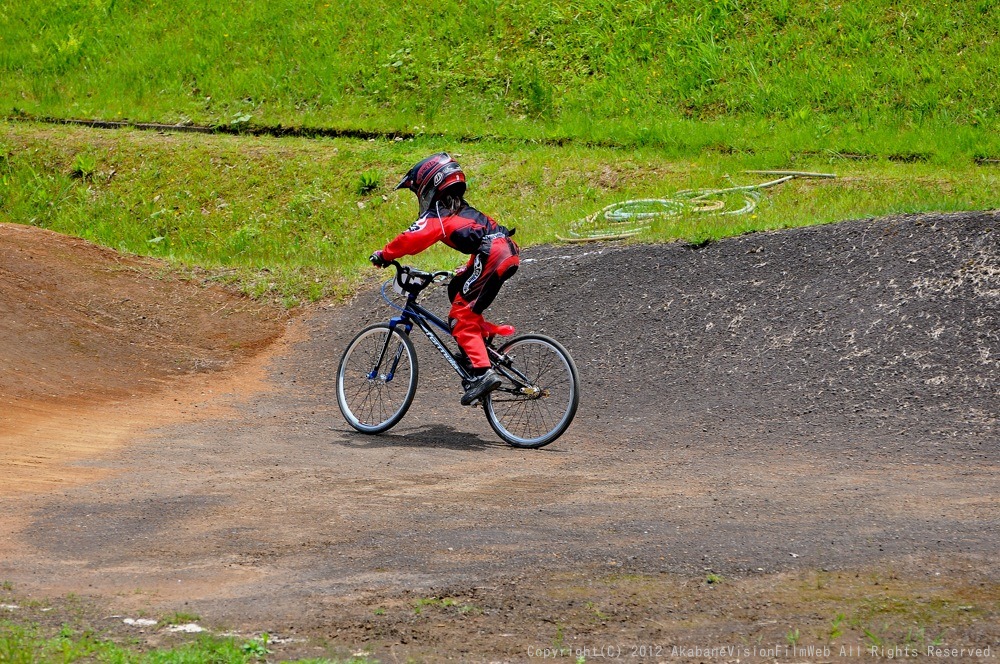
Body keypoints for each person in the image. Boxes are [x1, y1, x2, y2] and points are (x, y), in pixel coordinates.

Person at [369, 153, 520, 406]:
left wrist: (384, 254)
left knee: (460, 317)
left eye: (421, 192)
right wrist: (464, 269)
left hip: (493, 254)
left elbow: (411, 239)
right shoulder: (460, 208)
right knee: (457, 289)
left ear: (432, 185)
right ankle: (480, 352)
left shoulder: (439, 212)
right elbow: (488, 238)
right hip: (504, 251)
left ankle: (483, 373)